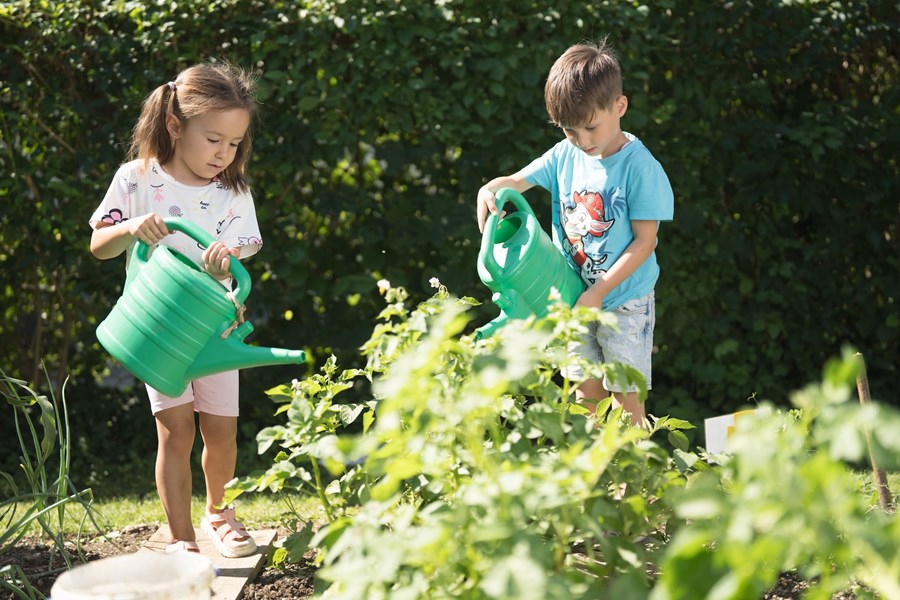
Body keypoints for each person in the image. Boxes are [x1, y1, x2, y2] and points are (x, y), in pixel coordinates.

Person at [89, 62, 263, 556]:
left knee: (222, 429)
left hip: (215, 328)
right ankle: (182, 540)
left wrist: (222, 262)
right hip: (158, 329)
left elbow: (240, 264)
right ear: (174, 125)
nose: (223, 154)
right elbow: (99, 244)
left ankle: (219, 515)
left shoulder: (232, 192)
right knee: (176, 430)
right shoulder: (137, 179)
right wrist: (129, 228)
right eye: (214, 139)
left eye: (234, 144)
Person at [476, 39, 674, 427]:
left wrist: (598, 293)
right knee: (585, 395)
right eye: (569, 131)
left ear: (619, 107)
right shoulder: (564, 155)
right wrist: (490, 190)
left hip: (623, 301)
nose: (582, 141)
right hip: (573, 295)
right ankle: (596, 482)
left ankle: (631, 486)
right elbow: (514, 181)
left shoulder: (640, 168)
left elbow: (645, 242)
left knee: (625, 398)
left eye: (590, 127)